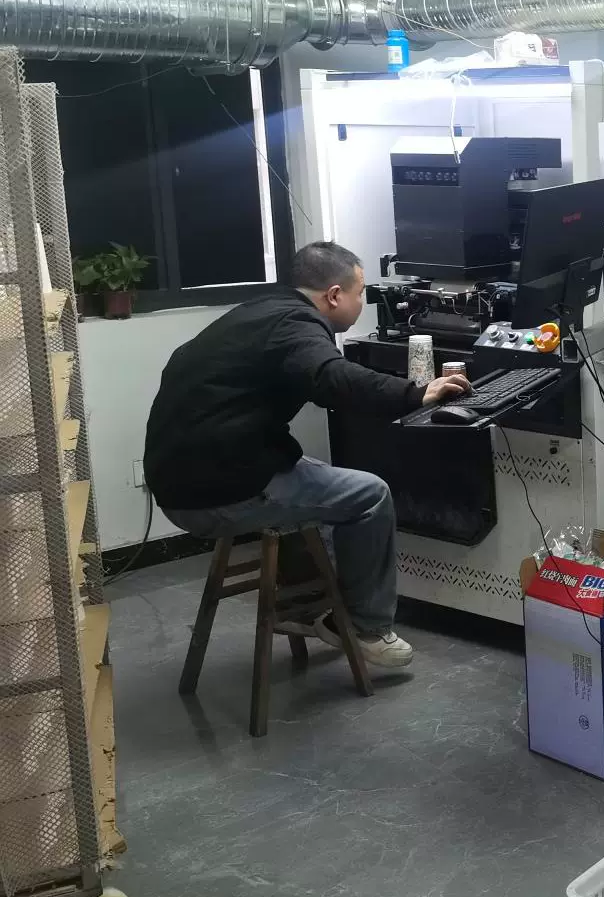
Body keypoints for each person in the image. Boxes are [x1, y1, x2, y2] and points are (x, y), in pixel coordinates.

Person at [144, 242, 470, 668]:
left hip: (180, 482)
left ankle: (318, 602)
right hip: (219, 491)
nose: (362, 302)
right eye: (359, 293)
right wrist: (415, 393)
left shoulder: (259, 312)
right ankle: (365, 626)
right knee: (370, 495)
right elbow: (331, 377)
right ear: (334, 295)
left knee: (324, 481)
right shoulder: (297, 324)